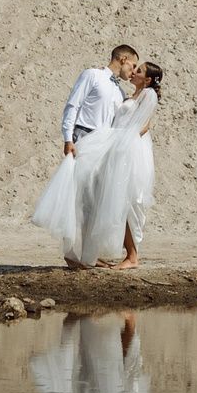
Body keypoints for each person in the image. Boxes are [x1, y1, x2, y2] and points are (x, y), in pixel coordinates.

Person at [33, 45, 138, 267]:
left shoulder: (119, 91)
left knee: (93, 200)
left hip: (103, 146)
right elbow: (73, 104)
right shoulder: (92, 75)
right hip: (83, 139)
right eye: (133, 65)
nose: (133, 71)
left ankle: (88, 254)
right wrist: (67, 138)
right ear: (123, 59)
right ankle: (70, 254)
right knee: (76, 197)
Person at [81, 61, 160, 270]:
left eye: (139, 71)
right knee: (117, 201)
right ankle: (122, 254)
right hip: (119, 148)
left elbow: (144, 126)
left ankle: (133, 257)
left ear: (147, 80)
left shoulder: (148, 94)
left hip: (131, 151)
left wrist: (123, 143)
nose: (134, 72)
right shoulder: (131, 95)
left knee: (129, 202)